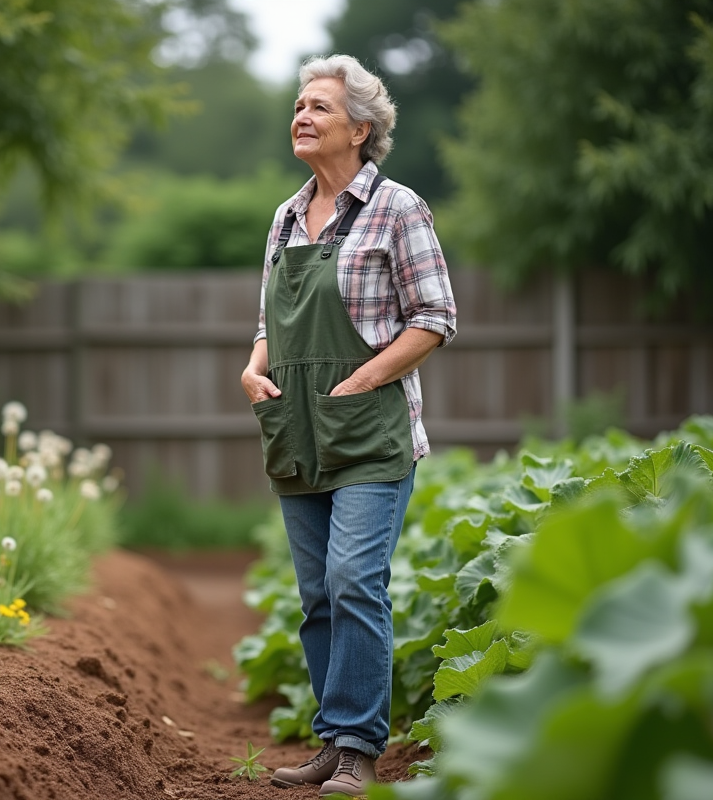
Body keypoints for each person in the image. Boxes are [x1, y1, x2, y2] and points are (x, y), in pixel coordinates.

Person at [240, 54, 456, 798]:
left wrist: (364, 379)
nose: (301, 116)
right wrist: (253, 365)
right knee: (318, 596)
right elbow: (269, 318)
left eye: (319, 108)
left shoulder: (400, 208)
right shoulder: (286, 216)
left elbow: (435, 317)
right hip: (295, 429)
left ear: (361, 128)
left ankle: (362, 749)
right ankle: (333, 744)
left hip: (369, 430)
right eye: (298, 106)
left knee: (354, 580)